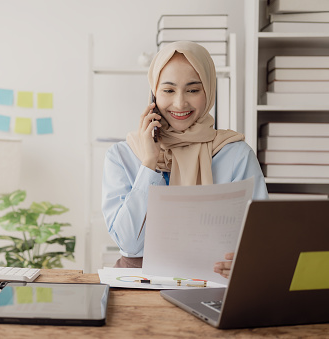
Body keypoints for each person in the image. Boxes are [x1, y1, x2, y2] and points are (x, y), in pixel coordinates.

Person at [101, 41, 268, 276]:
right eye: (168, 90)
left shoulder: (236, 154)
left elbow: (261, 241)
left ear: (209, 90)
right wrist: (149, 164)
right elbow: (129, 244)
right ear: (153, 93)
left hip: (212, 284)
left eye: (193, 89)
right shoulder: (122, 155)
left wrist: (247, 261)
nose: (180, 103)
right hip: (138, 284)